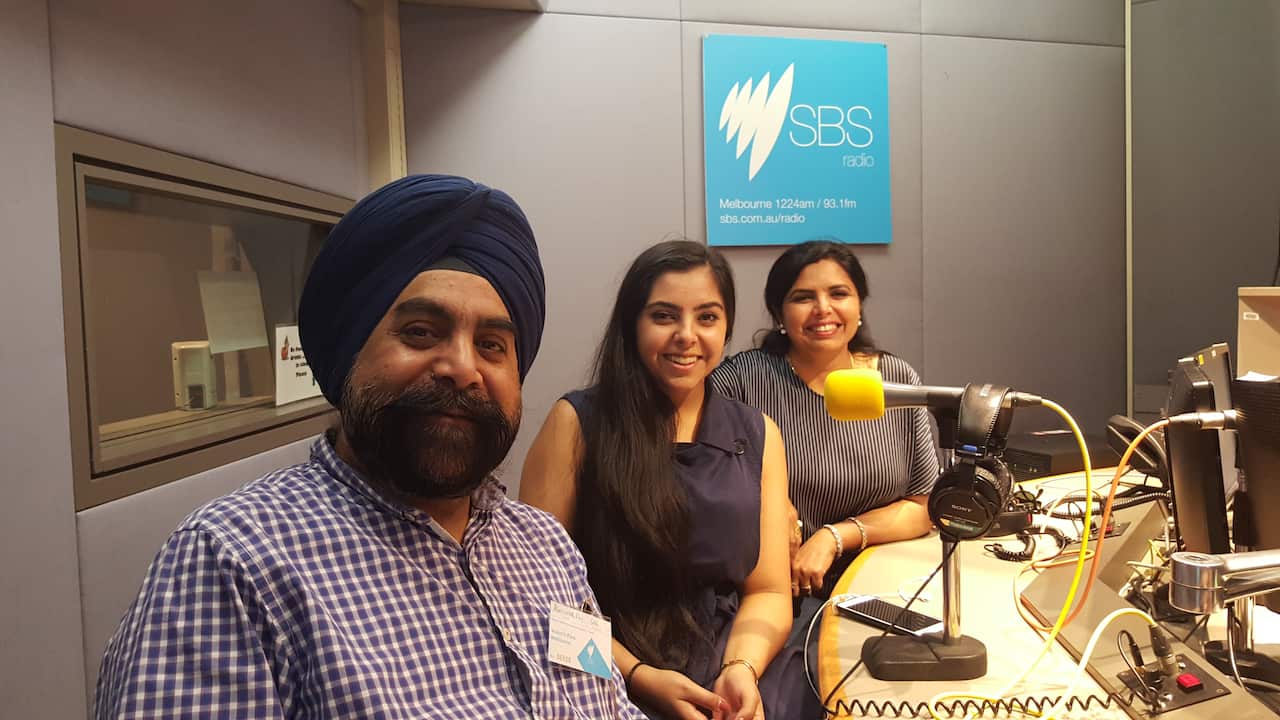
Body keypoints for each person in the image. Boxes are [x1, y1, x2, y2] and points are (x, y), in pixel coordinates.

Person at [95, 174, 646, 719]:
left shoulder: (546, 547)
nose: (462, 367)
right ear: (348, 350)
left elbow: (607, 705)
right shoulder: (232, 567)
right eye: (421, 333)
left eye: (491, 345)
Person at [521, 240, 816, 720]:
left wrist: (741, 668)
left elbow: (768, 591)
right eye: (663, 316)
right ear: (632, 325)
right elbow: (537, 596)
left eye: (707, 317)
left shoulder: (758, 433)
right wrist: (636, 676)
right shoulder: (576, 424)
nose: (687, 335)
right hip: (605, 669)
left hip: (733, 661)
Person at [709, 240, 940, 599]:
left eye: (839, 293)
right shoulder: (742, 380)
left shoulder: (895, 379)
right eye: (803, 297)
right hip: (782, 594)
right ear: (779, 314)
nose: (823, 309)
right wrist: (771, 504)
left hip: (885, 584)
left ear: (859, 305)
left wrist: (835, 536)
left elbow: (921, 509)